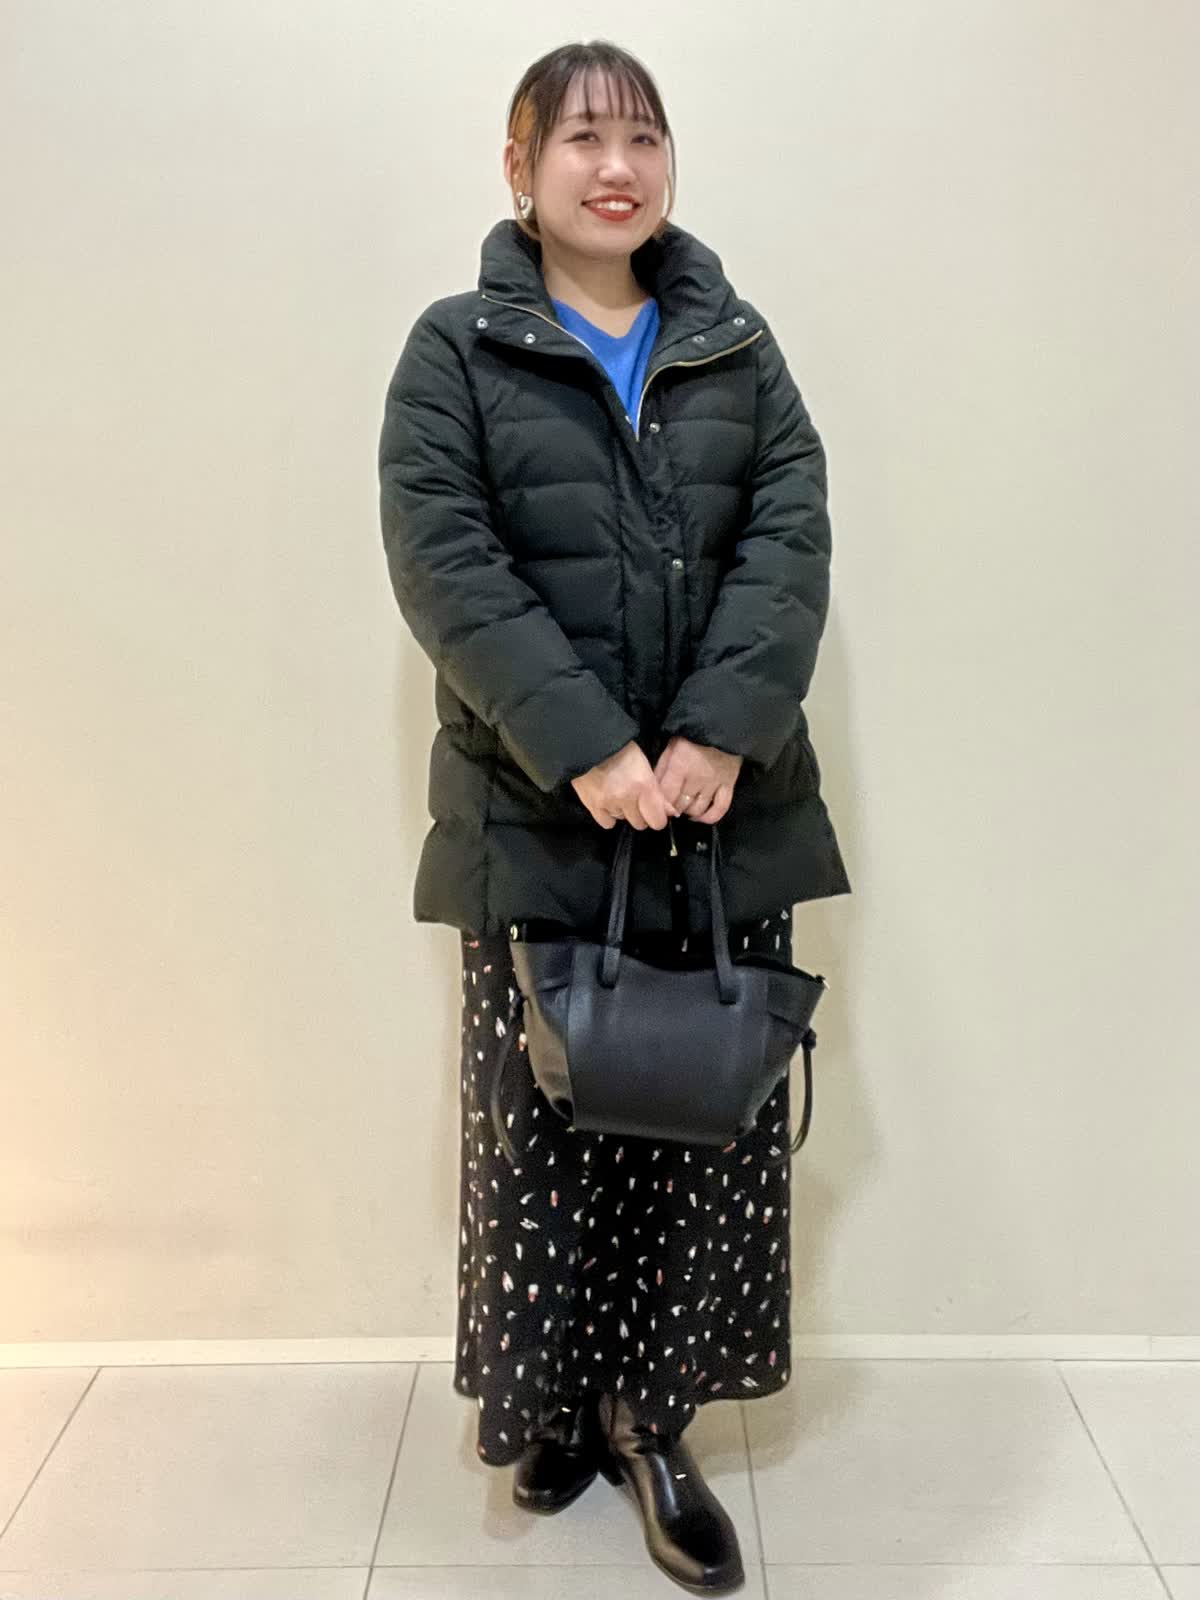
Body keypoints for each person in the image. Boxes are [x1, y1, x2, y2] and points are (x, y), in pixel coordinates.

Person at [377, 38, 851, 1597]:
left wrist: (718, 732)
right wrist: (588, 750)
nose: (616, 167)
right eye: (581, 137)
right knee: (544, 1137)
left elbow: (790, 537)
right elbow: (447, 562)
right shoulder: (455, 351)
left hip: (722, 820)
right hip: (539, 816)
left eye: (643, 137)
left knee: (701, 1131)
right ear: (519, 168)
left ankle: (658, 1425)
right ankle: (555, 1409)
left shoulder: (736, 345)